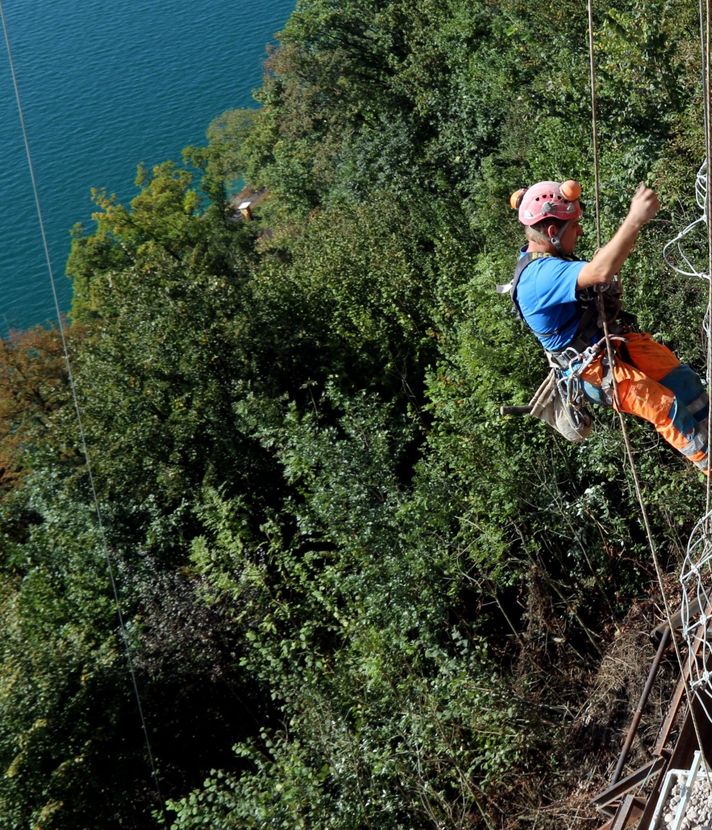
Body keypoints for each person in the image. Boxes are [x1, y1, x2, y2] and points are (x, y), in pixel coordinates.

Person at [507, 179, 709, 474]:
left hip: (613, 345)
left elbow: (600, 272)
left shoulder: (548, 260)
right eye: (574, 225)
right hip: (594, 369)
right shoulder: (539, 277)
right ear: (552, 232)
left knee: (684, 382)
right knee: (664, 406)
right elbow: (600, 270)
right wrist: (635, 219)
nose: (580, 231)